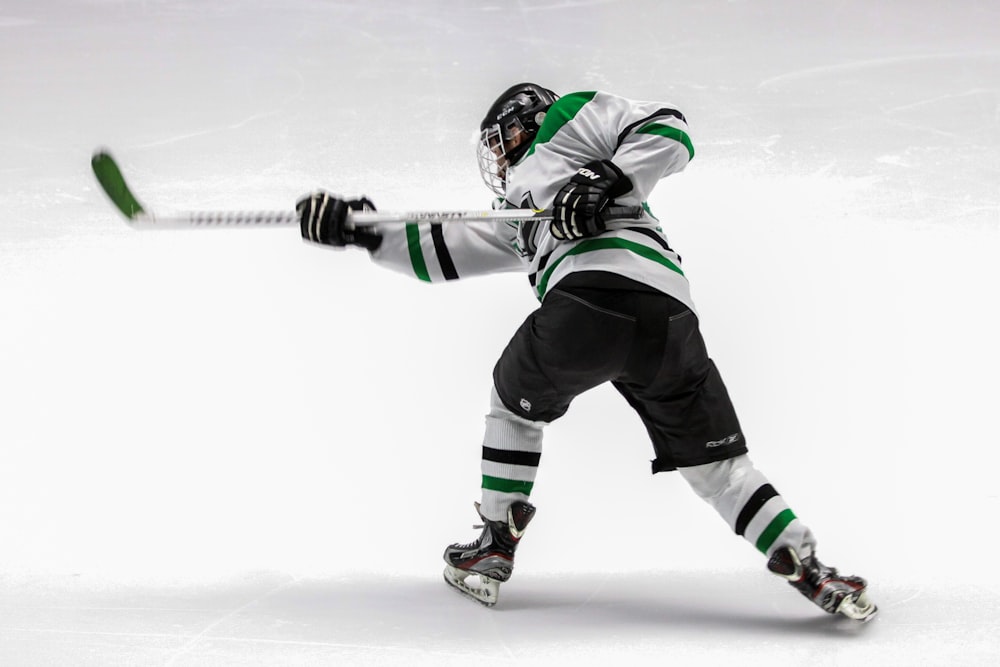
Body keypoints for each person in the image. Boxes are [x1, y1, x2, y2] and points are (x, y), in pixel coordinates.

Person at [296, 83, 877, 621]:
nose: (497, 160)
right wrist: (362, 229)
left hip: (590, 303)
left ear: (522, 122)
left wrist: (608, 177)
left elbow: (669, 130)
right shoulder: (519, 216)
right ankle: (808, 566)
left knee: (512, 400)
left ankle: (495, 543)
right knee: (720, 469)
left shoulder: (567, 121)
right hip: (669, 319)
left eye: (498, 143)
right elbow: (443, 251)